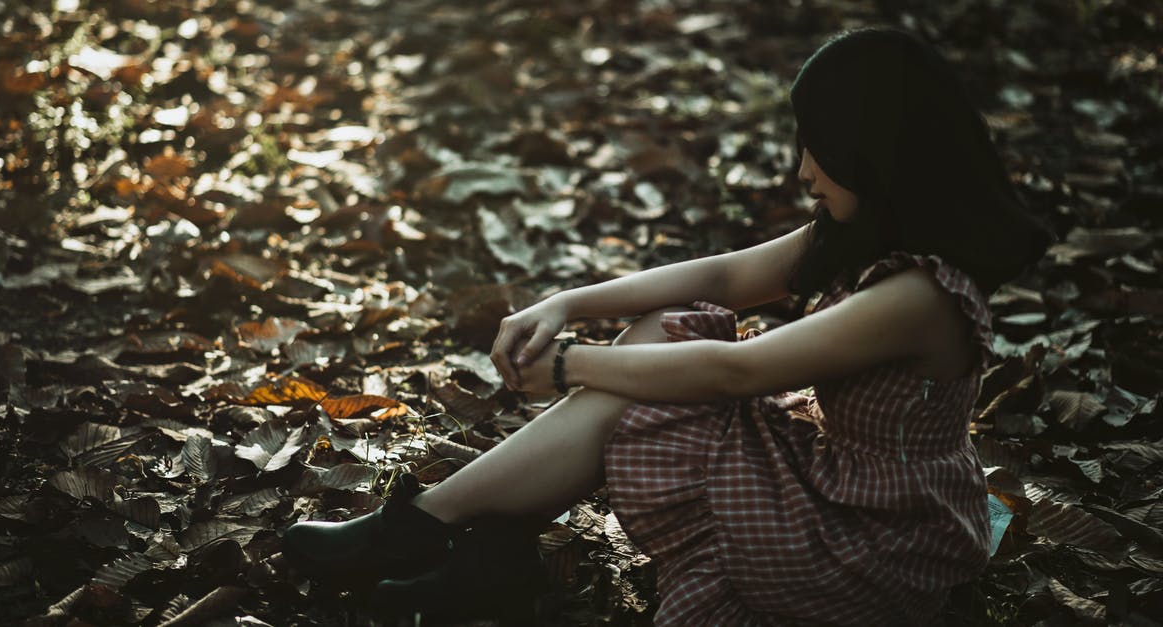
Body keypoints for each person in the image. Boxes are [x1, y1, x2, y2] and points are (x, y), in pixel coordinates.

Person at [280, 26, 1053, 625]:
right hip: (836, 481)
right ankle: (451, 534)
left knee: (670, 360)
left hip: (867, 536)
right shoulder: (869, 232)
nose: (802, 170)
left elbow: (738, 370)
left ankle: (431, 529)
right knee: (669, 330)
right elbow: (722, 275)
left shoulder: (918, 294)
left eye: (816, 145)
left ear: (873, 149)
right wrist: (570, 303)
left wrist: (571, 365)